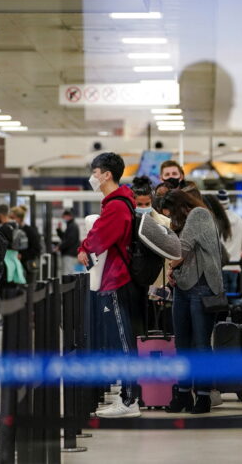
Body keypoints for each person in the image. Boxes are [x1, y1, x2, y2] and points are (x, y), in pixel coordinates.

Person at [77, 152, 141, 418]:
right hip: (115, 277)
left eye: (95, 172)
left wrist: (84, 248)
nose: (93, 177)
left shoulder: (116, 205)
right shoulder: (118, 202)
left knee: (123, 340)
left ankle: (129, 401)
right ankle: (126, 397)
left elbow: (101, 235)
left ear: (106, 175)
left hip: (117, 278)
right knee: (120, 339)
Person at [161, 189, 224, 414]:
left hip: (203, 288)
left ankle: (204, 396)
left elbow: (181, 250)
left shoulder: (199, 214)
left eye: (172, 213)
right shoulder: (191, 217)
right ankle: (184, 393)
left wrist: (171, 265)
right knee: (183, 344)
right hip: (184, 286)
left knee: (200, 345)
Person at [132, 176, 173, 331]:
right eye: (139, 204)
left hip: (159, 283)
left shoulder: (165, 223)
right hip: (134, 283)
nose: (143, 207)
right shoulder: (128, 223)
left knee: (161, 327)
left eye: (147, 204)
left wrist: (166, 285)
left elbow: (171, 255)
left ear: (152, 202)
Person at [216, 190, 242, 294]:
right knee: (234, 297)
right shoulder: (239, 219)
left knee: (220, 300)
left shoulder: (213, 220)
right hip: (235, 266)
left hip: (219, 267)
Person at [10, 205, 42, 284]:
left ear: (19, 218)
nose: (11, 220)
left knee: (28, 290)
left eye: (13, 218)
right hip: (17, 267)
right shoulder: (12, 229)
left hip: (28, 267)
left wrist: (22, 255)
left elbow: (37, 248)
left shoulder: (30, 231)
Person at [57, 209, 81, 276]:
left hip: (70, 254)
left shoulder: (72, 226)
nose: (63, 218)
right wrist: (59, 230)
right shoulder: (71, 226)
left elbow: (69, 240)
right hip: (71, 254)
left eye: (64, 217)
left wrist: (59, 247)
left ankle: (68, 286)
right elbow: (65, 238)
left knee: (68, 273)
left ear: (69, 216)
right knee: (69, 273)